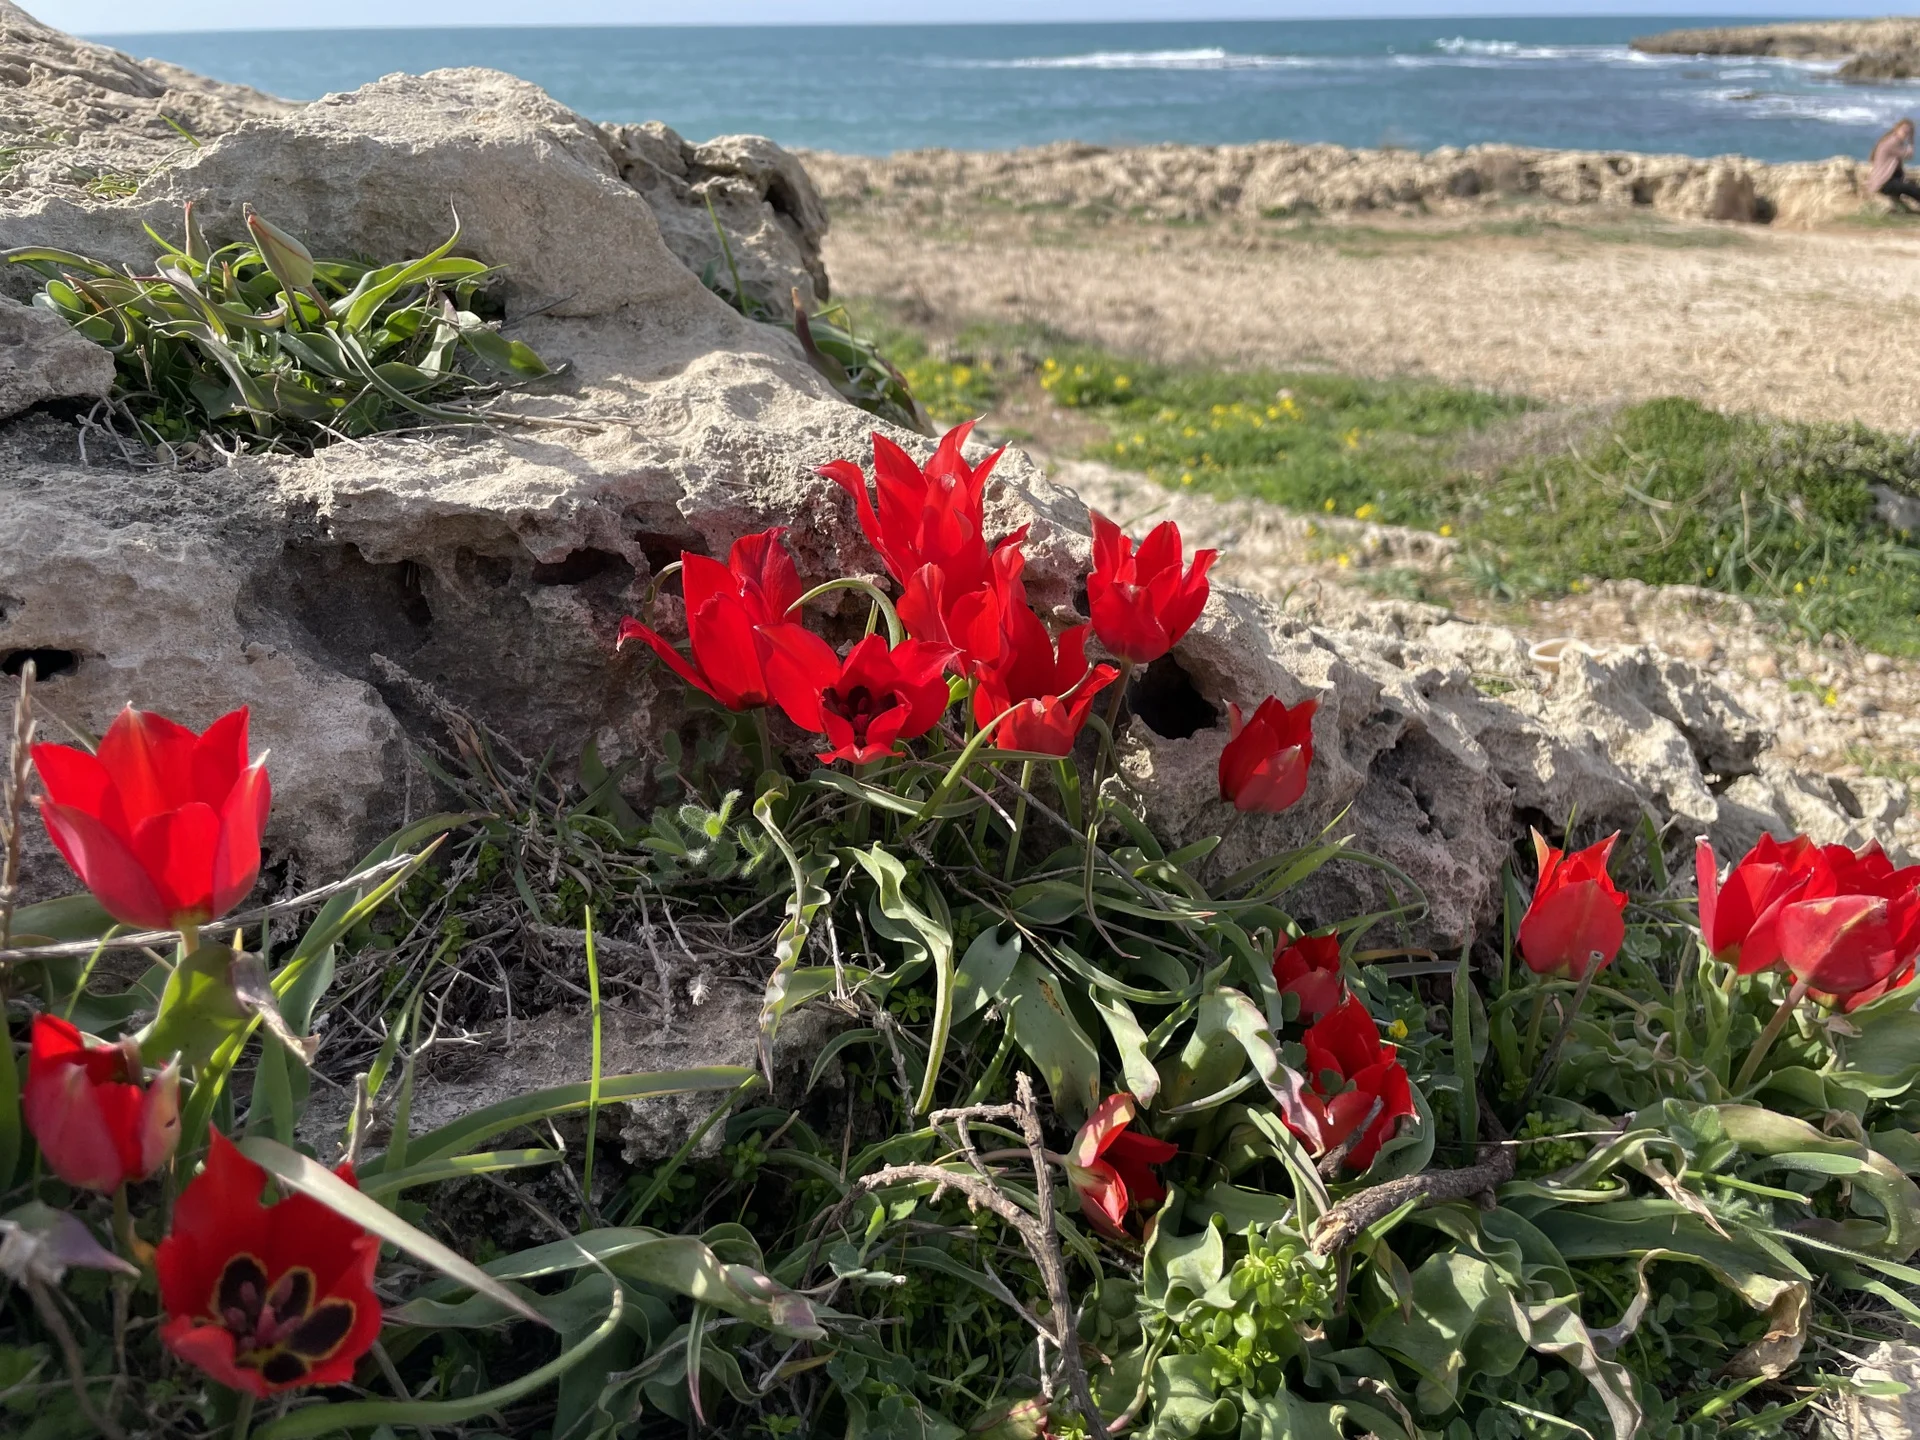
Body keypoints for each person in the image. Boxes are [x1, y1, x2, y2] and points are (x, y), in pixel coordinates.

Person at [1869, 118, 1920, 210]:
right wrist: (1911, 140)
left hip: (1890, 180)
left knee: (1912, 185)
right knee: (1912, 189)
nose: (1906, 134)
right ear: (1897, 128)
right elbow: (1910, 155)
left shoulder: (1892, 139)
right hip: (1884, 183)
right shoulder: (1893, 142)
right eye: (1904, 131)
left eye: (1908, 132)